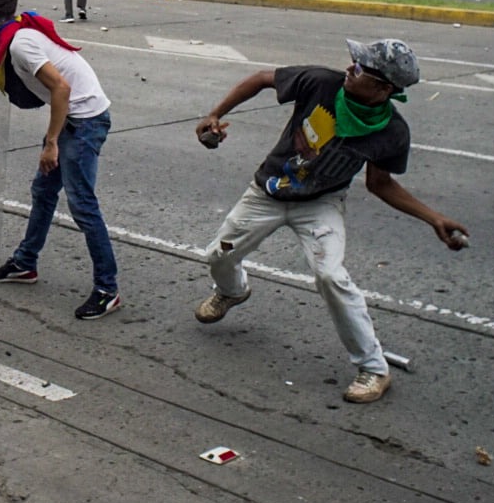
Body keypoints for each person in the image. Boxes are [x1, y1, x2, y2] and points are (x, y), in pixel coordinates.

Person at [191, 38, 467, 404]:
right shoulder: (321, 83)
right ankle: (232, 291)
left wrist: (434, 218)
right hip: (267, 193)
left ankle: (374, 368)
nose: (350, 68)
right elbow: (261, 79)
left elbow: (380, 184)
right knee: (220, 254)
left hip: (320, 204)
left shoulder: (391, 132)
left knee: (331, 276)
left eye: (361, 68)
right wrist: (215, 114)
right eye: (354, 61)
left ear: (383, 89)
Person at [0, 0, 122, 320]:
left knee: (83, 206)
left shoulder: (20, 43)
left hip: (84, 123)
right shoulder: (15, 35)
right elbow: (8, 76)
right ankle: (25, 263)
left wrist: (51, 143)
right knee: (44, 192)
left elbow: (61, 89)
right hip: (74, 120)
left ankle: (107, 290)